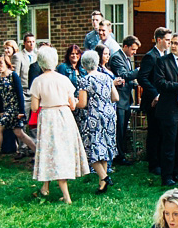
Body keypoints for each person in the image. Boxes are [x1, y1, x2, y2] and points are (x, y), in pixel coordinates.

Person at [29, 45, 90, 203]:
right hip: (65, 117)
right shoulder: (64, 79)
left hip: (49, 117)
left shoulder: (38, 81)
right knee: (61, 152)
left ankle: (66, 196)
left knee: (52, 153)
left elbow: (34, 107)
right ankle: (45, 187)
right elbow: (73, 104)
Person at [153, 32, 178, 186]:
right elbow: (159, 83)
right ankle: (167, 176)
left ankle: (176, 172)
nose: (173, 46)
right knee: (169, 143)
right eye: (172, 43)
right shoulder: (162, 61)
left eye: (177, 43)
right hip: (170, 107)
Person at [77, 50, 119, 194]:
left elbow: (82, 104)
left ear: (83, 65)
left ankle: (104, 176)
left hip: (93, 117)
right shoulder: (107, 77)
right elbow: (116, 97)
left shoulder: (85, 80)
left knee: (91, 148)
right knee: (105, 147)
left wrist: (72, 102)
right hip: (108, 115)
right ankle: (102, 184)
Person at [0, 54, 37, 162]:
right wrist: (1, 110)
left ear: (7, 64)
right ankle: (38, 151)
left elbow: (19, 94)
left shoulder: (13, 76)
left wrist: (21, 111)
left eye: (1, 63)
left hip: (14, 109)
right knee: (19, 133)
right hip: (6, 109)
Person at [139, 27, 171, 175]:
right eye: (167, 40)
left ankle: (160, 161)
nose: (170, 43)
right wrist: (155, 94)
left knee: (162, 132)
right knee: (154, 132)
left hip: (163, 100)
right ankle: (153, 164)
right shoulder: (150, 56)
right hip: (153, 101)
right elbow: (142, 78)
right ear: (159, 40)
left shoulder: (165, 56)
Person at [109, 35, 141, 166]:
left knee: (124, 128)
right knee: (120, 129)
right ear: (126, 46)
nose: (134, 53)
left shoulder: (126, 58)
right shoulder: (117, 57)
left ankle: (121, 154)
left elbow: (128, 79)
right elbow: (123, 76)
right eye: (133, 49)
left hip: (126, 100)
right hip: (120, 100)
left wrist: (135, 84)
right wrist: (139, 71)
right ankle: (119, 156)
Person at [15, 32, 38, 114]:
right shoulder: (18, 56)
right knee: (25, 116)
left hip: (36, 91)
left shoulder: (37, 56)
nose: (31, 44)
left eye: (33, 42)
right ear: (24, 43)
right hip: (25, 91)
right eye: (29, 42)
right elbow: (16, 75)